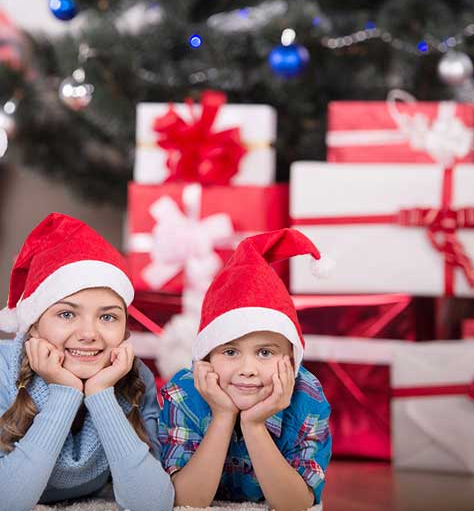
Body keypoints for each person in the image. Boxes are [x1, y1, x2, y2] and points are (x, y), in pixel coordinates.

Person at [0, 212, 174, 511]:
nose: (89, 334)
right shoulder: (5, 368)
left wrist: (101, 394)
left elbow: (153, 504)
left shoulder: (132, 376)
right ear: (34, 325)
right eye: (67, 314)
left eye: (107, 317)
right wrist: (65, 392)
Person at [158, 228, 331, 511]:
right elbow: (185, 502)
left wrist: (254, 424)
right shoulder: (183, 392)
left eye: (265, 352)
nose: (247, 369)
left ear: (291, 359)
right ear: (206, 358)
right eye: (230, 352)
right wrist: (223, 417)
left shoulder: (307, 397)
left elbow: (297, 505)